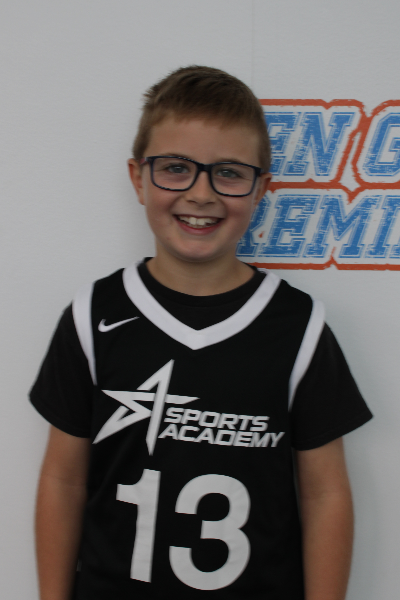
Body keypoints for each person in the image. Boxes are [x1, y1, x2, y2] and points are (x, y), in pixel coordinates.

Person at [30, 66, 373, 600]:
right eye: (176, 168)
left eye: (229, 173)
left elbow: (324, 494)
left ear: (261, 189)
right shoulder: (92, 316)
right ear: (138, 178)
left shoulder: (299, 326)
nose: (201, 193)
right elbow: (63, 480)